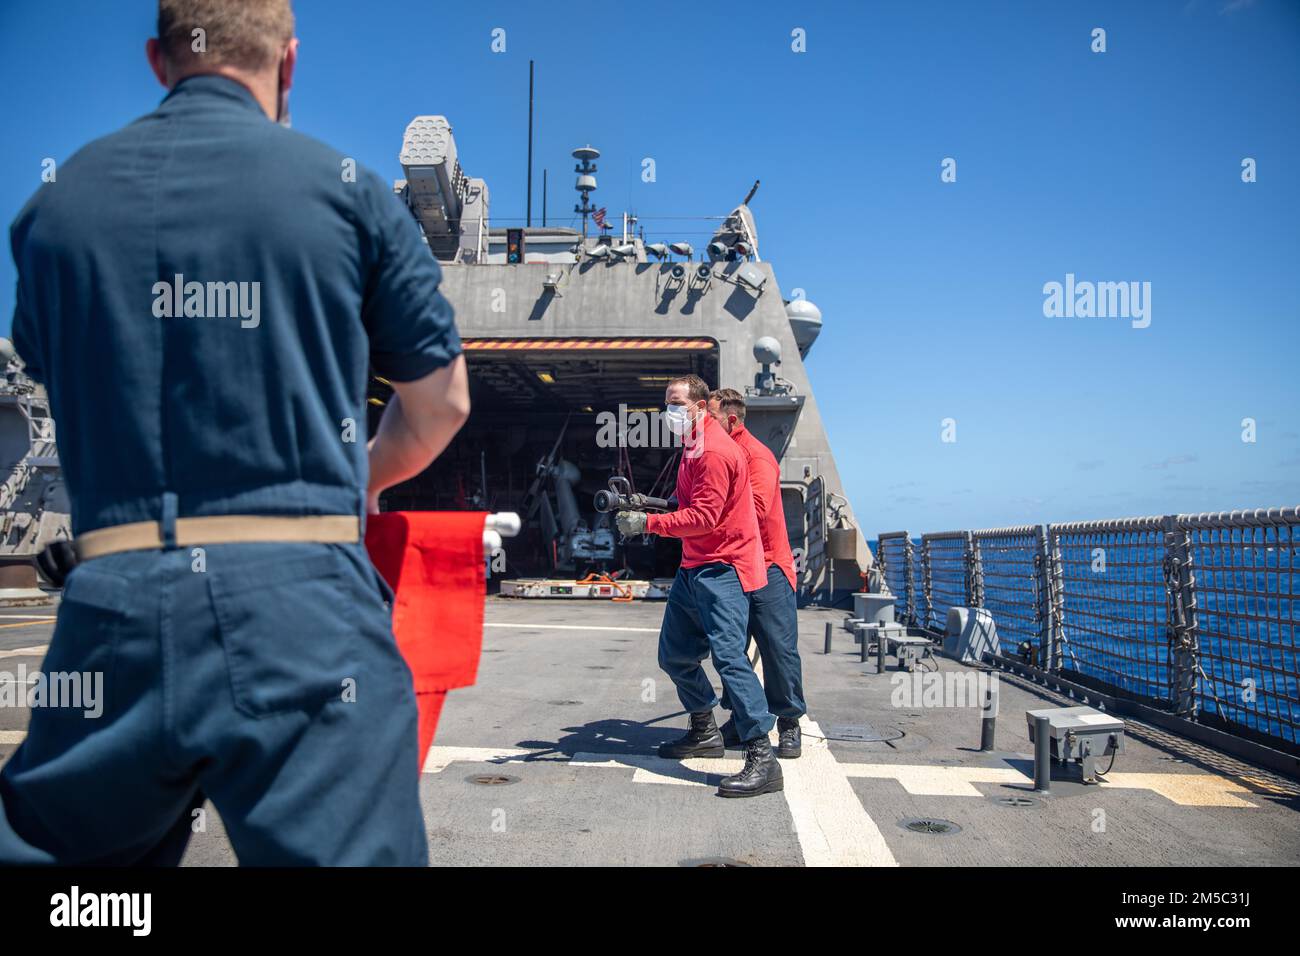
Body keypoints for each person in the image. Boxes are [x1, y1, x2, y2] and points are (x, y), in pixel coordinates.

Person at [0, 0, 469, 865]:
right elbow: (442, 402)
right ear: (289, 63)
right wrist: (361, 476)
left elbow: (50, 364)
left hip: (112, 604)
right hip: (302, 605)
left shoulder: (50, 213)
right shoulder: (351, 194)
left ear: (156, 59)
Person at [617, 375, 781, 797]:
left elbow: (706, 517)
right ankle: (705, 730)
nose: (668, 410)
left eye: (675, 402)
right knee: (674, 655)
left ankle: (763, 758)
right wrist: (649, 505)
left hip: (723, 568)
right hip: (695, 567)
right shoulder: (692, 446)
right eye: (666, 403)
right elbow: (687, 504)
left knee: (729, 660)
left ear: (701, 405)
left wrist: (648, 524)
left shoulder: (713, 452)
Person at [707, 388, 806, 758]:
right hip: (733, 566)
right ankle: (741, 719)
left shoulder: (757, 458)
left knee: (778, 649)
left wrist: (708, 507)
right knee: (730, 649)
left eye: (712, 418)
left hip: (768, 568)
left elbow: (760, 508)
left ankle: (789, 722)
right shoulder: (715, 454)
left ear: (731, 420)